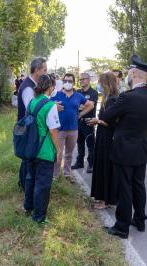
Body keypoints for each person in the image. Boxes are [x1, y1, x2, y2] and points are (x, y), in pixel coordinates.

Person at [103, 55, 147, 239]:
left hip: (124, 150)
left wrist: (118, 117)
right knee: (138, 186)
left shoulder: (127, 97)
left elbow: (107, 116)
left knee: (124, 188)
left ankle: (122, 227)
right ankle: (140, 219)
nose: (126, 75)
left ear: (134, 74)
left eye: (128, 72)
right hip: (141, 148)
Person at [24, 74, 61, 223]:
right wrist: (58, 150)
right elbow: (53, 131)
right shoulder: (50, 105)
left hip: (31, 148)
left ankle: (28, 207)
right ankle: (38, 217)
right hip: (45, 151)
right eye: (53, 86)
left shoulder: (32, 101)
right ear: (50, 87)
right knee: (43, 184)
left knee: (30, 179)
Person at [51, 73, 94, 180]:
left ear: (74, 83)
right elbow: (46, 106)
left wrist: (81, 114)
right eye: (65, 81)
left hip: (73, 130)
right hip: (59, 130)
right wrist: (53, 106)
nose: (67, 83)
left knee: (69, 154)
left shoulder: (78, 96)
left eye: (70, 81)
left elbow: (91, 105)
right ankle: (55, 176)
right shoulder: (56, 95)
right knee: (58, 154)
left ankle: (67, 173)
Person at [87, 72, 119, 209]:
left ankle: (105, 201)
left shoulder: (112, 99)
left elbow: (112, 122)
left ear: (106, 84)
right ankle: (107, 199)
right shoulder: (109, 98)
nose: (98, 85)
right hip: (103, 136)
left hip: (107, 138)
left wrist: (97, 121)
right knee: (104, 167)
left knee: (104, 167)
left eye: (100, 82)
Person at [17, 58, 47, 191]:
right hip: (27, 128)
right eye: (44, 70)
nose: (46, 73)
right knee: (27, 156)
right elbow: (31, 108)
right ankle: (24, 184)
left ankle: (25, 183)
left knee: (28, 156)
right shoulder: (28, 87)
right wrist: (49, 106)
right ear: (36, 70)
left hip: (30, 126)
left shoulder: (33, 84)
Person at [72, 73, 98, 173]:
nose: (81, 81)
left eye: (83, 79)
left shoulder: (94, 92)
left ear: (89, 80)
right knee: (79, 143)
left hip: (89, 122)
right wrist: (84, 105)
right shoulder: (77, 92)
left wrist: (82, 107)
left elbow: (90, 105)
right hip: (78, 122)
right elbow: (76, 105)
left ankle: (91, 164)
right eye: (80, 79)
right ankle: (79, 162)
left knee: (90, 144)